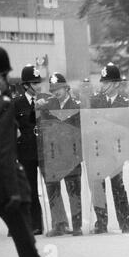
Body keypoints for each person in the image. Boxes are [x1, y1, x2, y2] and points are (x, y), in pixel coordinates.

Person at [0, 45, 52, 257]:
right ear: (0, 77)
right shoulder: (2, 105)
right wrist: (15, 192)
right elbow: (4, 152)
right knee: (29, 253)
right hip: (5, 191)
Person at [90, 63, 129, 234]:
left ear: (116, 83)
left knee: (118, 186)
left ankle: (126, 223)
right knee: (98, 186)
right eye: (102, 82)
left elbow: (128, 128)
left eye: (106, 82)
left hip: (116, 151)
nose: (103, 85)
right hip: (99, 151)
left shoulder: (124, 103)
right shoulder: (95, 101)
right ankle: (101, 223)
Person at [40, 73, 83, 237]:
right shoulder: (47, 106)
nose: (55, 91)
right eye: (53, 89)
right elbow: (44, 130)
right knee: (53, 189)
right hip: (54, 155)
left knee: (74, 190)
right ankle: (59, 224)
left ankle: (77, 225)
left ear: (66, 87)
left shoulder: (77, 105)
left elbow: (81, 131)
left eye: (58, 88)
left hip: (72, 155)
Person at [13, 64, 50, 235]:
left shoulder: (47, 100)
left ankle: (59, 222)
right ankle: (36, 224)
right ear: (26, 85)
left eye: (39, 82)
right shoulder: (16, 104)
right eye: (34, 83)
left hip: (44, 151)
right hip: (26, 153)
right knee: (31, 190)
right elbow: (14, 129)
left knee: (51, 187)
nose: (38, 86)